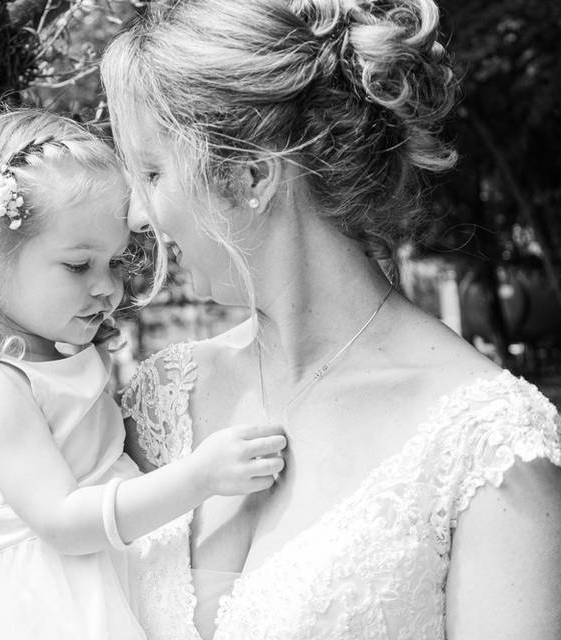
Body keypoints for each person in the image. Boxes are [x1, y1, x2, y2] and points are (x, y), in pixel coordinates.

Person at [100, 1, 561, 639]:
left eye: (153, 172)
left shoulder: (488, 444)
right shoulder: (157, 398)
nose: (138, 217)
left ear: (250, 176)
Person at [0, 110, 287, 640]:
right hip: (44, 607)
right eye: (78, 266)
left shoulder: (65, 354)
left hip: (102, 578)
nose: (107, 289)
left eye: (117, 263)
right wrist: (199, 477)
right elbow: (64, 521)